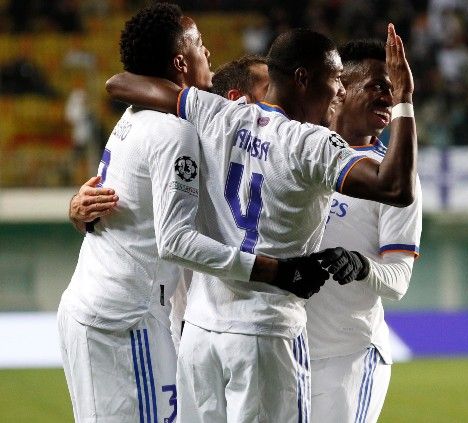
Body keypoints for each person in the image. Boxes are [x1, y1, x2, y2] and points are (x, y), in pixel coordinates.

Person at [104, 24, 417, 422]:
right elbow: (395, 187)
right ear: (304, 79)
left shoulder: (216, 112)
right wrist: (404, 99)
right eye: (335, 79)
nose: (339, 90)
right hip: (267, 333)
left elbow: (120, 83)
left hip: (201, 333)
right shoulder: (310, 145)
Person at [59, 5, 326, 423]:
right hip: (125, 317)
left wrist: (79, 211)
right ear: (181, 62)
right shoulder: (174, 132)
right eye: (200, 44)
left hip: (117, 309)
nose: (209, 54)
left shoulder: (141, 117)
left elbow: (118, 201)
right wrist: (275, 270)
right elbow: (175, 240)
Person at [303, 39, 422, 423]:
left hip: (347, 359)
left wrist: (361, 266)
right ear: (340, 88)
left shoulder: (392, 177)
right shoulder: (298, 148)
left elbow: (400, 279)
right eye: (377, 85)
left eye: (393, 88)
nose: (388, 96)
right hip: (285, 348)